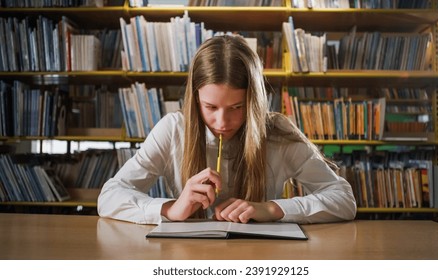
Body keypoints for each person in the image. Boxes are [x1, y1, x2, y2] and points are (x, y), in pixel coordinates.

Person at [98, 35, 356, 225]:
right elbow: (109, 197)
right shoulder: (173, 130)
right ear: (195, 99)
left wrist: (273, 208)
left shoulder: (276, 132)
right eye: (210, 106)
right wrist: (170, 209)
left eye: (236, 107)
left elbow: (344, 200)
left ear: (254, 102)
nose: (222, 122)